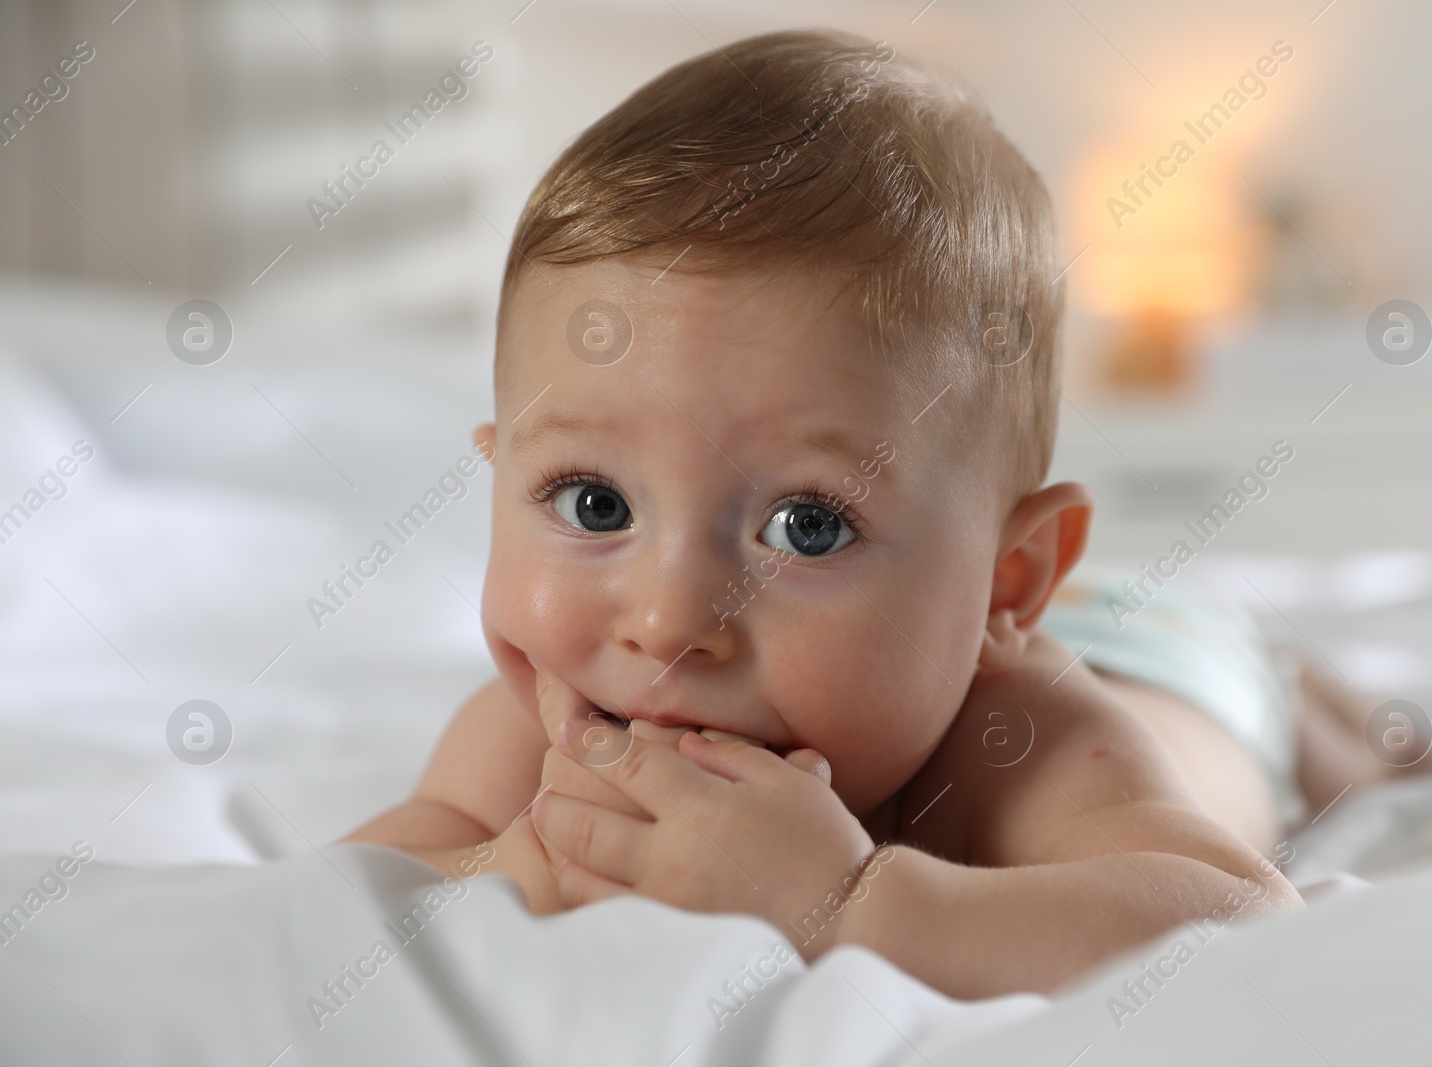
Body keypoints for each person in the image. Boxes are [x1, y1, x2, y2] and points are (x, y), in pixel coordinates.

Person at [345, 28, 1314, 998]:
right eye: (594, 505)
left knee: (1270, 708)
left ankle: (1311, 698)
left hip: (1161, 654)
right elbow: (354, 886)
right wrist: (506, 868)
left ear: (1003, 578)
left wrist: (850, 901)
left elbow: (1245, 921)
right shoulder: (531, 737)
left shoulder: (1022, 744)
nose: (668, 622)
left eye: (806, 525)